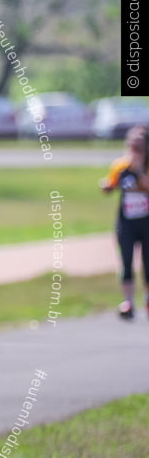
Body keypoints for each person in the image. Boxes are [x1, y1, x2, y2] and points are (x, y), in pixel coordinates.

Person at [99, 125, 149, 319]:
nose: (134, 149)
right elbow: (110, 185)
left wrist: (136, 169)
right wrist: (106, 185)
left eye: (138, 146)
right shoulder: (120, 165)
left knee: (148, 263)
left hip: (146, 221)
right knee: (126, 260)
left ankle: (146, 298)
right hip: (126, 221)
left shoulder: (143, 166)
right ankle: (127, 302)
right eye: (131, 145)